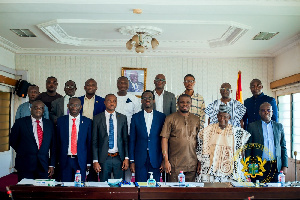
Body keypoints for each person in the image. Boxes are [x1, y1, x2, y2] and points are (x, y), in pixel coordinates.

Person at [197, 104, 250, 182]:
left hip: (229, 169)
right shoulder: (208, 130)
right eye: (220, 116)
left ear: (229, 117)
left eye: (225, 117)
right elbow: (201, 147)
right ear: (217, 116)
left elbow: (241, 151)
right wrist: (199, 163)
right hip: (212, 168)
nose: (222, 119)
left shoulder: (236, 131)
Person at [10, 100, 55, 181]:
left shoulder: (49, 124)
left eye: (41, 108)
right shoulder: (20, 122)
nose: (38, 110)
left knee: (42, 191)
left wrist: (51, 165)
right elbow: (13, 140)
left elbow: (53, 146)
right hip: (25, 164)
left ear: (43, 110)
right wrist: (24, 151)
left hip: (43, 165)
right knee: (25, 191)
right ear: (31, 109)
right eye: (35, 108)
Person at [161, 94, 201, 182]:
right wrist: (166, 160)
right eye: (182, 102)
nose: (185, 104)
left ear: (191, 104)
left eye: (187, 102)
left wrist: (199, 162)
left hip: (192, 163)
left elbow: (199, 142)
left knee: (190, 193)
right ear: (178, 103)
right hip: (174, 164)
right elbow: (164, 139)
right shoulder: (170, 118)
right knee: (174, 193)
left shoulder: (196, 119)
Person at [129, 90, 166, 182]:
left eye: (149, 98)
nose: (147, 100)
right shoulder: (135, 117)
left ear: (153, 100)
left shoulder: (162, 117)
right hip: (140, 159)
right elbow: (132, 140)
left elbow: (164, 139)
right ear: (141, 101)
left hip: (156, 158)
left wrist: (163, 160)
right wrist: (132, 161)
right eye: (144, 98)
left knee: (155, 189)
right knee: (140, 187)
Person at [246, 102, 288, 183]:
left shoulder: (279, 127)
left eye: (268, 110)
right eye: (263, 110)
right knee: (258, 192)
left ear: (272, 112)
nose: (266, 112)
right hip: (257, 166)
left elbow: (283, 147)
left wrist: (285, 166)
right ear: (259, 112)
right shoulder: (252, 126)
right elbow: (248, 148)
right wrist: (249, 167)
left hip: (275, 166)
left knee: (275, 192)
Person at [92, 94, 129, 182]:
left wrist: (126, 158)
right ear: (104, 102)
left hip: (119, 158)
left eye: (114, 101)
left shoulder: (122, 118)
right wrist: (95, 160)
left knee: (119, 186)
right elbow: (94, 141)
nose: (112, 103)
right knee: (104, 186)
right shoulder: (97, 118)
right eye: (109, 101)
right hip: (104, 158)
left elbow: (125, 140)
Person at [56, 98, 92, 182]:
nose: (74, 107)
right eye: (72, 105)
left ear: (81, 107)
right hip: (65, 160)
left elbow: (89, 143)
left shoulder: (87, 122)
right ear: (68, 106)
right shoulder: (60, 121)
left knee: (80, 188)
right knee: (65, 187)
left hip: (80, 160)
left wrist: (89, 162)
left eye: (77, 105)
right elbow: (57, 143)